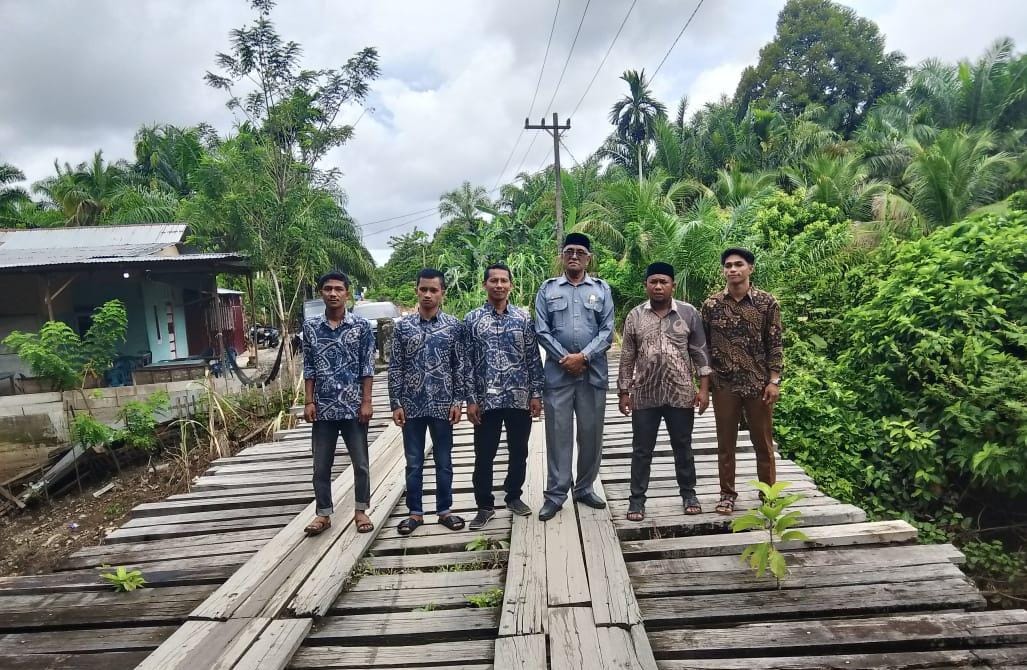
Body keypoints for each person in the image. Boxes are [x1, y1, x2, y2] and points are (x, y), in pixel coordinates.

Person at [618, 262, 712, 521]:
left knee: (683, 446)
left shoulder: (688, 313)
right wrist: (623, 392)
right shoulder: (635, 316)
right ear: (646, 285)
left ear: (673, 285)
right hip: (644, 394)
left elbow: (700, 352)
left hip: (680, 393)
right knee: (641, 449)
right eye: (653, 282)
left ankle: (689, 494)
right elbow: (627, 356)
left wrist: (704, 390)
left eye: (664, 282)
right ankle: (637, 500)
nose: (658, 286)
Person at [534, 232, 614, 521]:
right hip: (558, 375)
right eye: (569, 251)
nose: (574, 256)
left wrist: (584, 357)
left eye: (580, 252)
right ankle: (556, 495)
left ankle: (584, 488)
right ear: (562, 256)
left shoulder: (602, 289)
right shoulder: (548, 289)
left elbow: (607, 330)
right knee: (558, 435)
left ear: (588, 258)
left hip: (593, 374)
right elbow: (541, 329)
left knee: (591, 435)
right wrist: (565, 359)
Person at [700, 248, 783, 515]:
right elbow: (703, 348)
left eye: (739, 264)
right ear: (723, 271)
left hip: (758, 384)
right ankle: (727, 495)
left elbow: (775, 343)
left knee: (763, 443)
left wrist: (774, 380)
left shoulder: (767, 303)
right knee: (726, 444)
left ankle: (768, 495)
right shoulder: (711, 305)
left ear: (750, 269)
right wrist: (704, 384)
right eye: (728, 265)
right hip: (724, 385)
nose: (733, 269)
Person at [465, 263, 545, 529]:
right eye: (494, 281)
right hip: (486, 401)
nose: (499, 285)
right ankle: (484, 506)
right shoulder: (472, 320)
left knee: (518, 451)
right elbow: (467, 363)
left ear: (511, 285)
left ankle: (513, 496)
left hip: (519, 397)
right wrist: (470, 399)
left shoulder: (523, 318)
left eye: (503, 281)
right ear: (485, 284)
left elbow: (533, 358)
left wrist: (536, 394)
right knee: (484, 454)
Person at [389, 268, 467, 535]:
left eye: (433, 290)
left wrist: (458, 401)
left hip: (443, 405)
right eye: (423, 289)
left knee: (444, 461)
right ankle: (415, 513)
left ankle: (444, 510)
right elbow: (395, 366)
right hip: (411, 405)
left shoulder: (454, 326)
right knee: (414, 462)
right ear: (417, 291)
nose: (427, 295)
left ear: (442, 293)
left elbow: (459, 366)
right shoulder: (403, 328)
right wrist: (395, 403)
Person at [302, 270, 375, 536]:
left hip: (353, 407)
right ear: (321, 292)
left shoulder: (361, 326)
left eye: (338, 289)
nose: (333, 293)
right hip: (323, 407)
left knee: (361, 463)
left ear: (347, 293)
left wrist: (367, 401)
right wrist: (308, 401)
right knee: (321, 465)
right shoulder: (311, 327)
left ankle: (361, 510)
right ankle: (323, 514)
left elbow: (367, 367)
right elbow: (309, 366)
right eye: (328, 289)